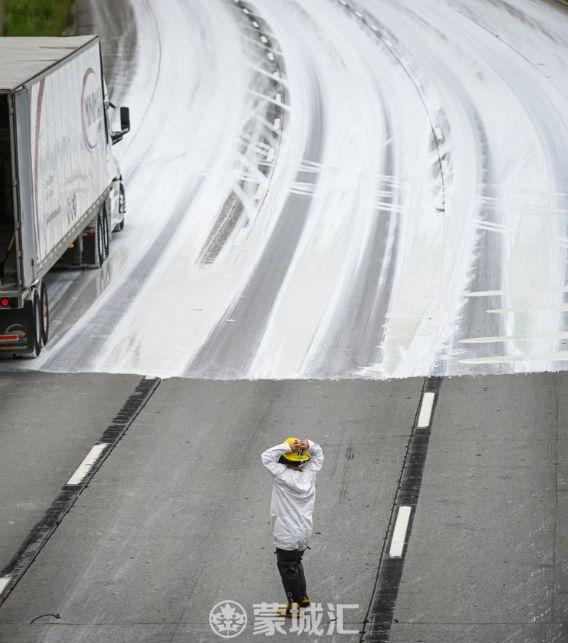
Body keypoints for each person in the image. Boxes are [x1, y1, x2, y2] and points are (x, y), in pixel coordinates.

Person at [260, 437, 324, 616]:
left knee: (287, 567)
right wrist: (309, 445)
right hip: (304, 532)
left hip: (287, 532)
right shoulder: (309, 475)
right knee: (296, 563)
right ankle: (303, 597)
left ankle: (293, 606)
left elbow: (266, 456)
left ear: (284, 460)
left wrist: (286, 446)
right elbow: (318, 456)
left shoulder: (281, 476)